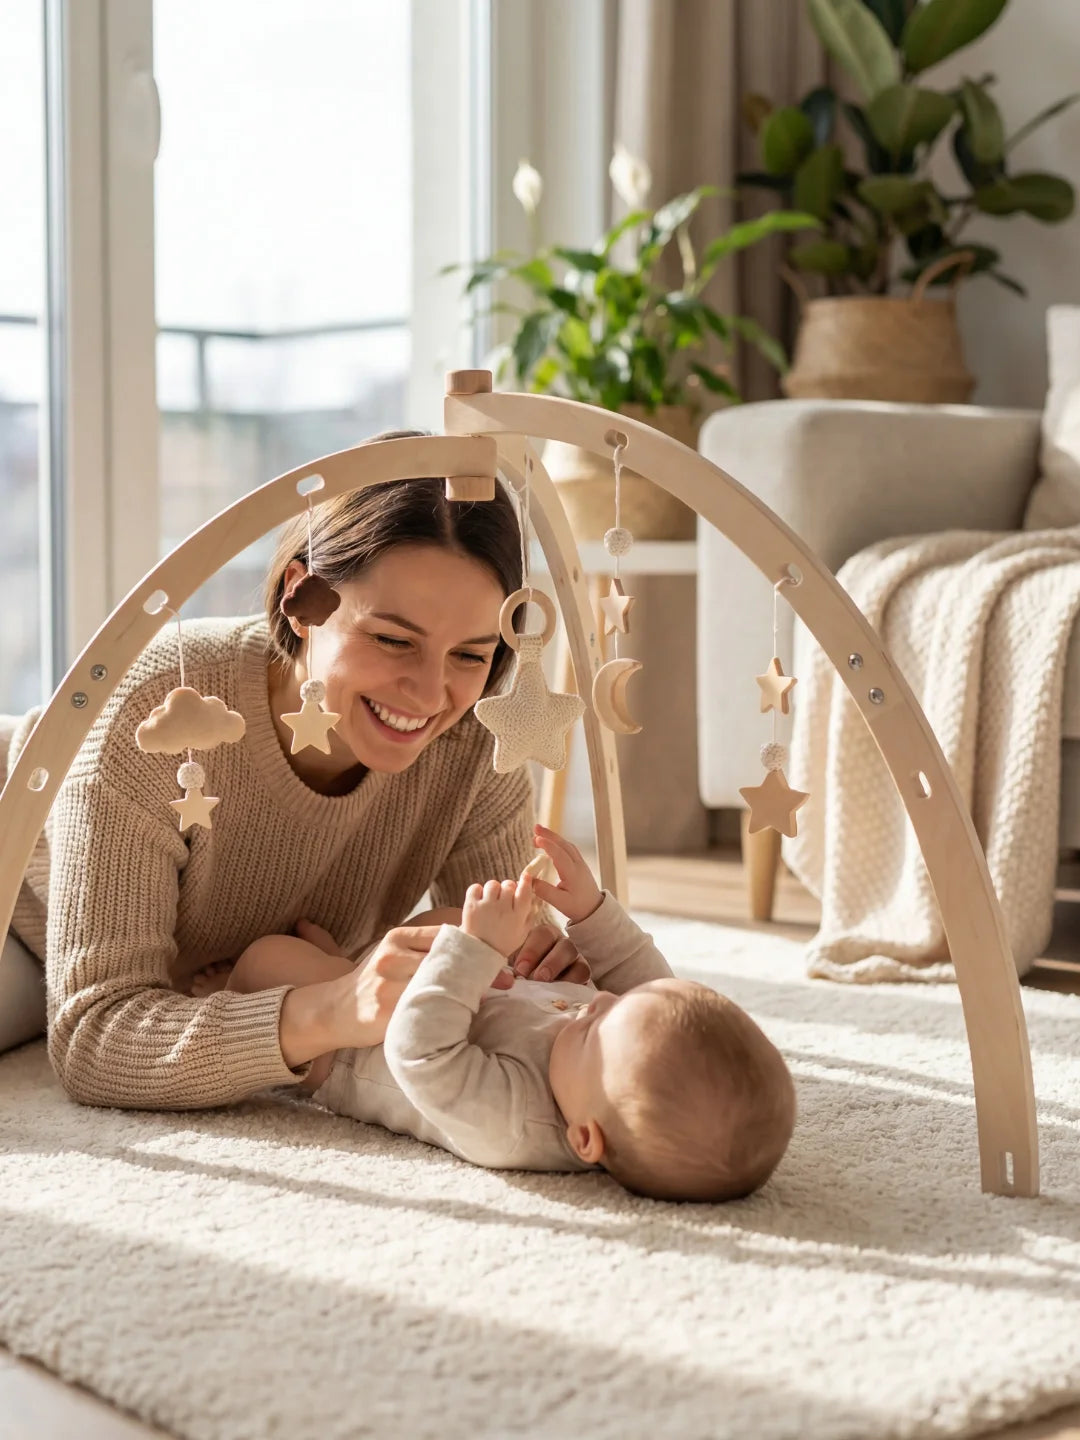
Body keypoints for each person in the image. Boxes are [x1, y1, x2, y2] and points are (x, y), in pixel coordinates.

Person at [0, 439, 589, 1106]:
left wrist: (543, 962)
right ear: (299, 599)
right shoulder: (164, 707)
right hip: (17, 908)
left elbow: (514, 953)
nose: (429, 695)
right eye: (394, 640)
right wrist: (330, 1008)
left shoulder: (475, 735)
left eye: (470, 654)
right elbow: (95, 1041)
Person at [226, 825, 797, 1202]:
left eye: (593, 1029)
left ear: (584, 1138)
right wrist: (592, 912)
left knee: (266, 958)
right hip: (462, 990)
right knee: (449, 916)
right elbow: (655, 988)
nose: (597, 1001)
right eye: (615, 1005)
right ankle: (346, 955)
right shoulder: (615, 1060)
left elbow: (419, 1052)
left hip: (356, 1046)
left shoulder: (511, 1125)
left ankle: (290, 973)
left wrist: (475, 953)